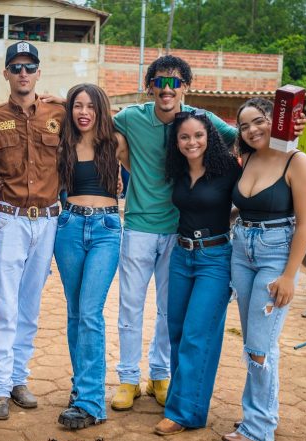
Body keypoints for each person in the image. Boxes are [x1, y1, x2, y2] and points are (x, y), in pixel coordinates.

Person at [110, 55, 238, 411]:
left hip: (180, 231)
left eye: (175, 82)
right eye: (160, 82)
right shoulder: (132, 117)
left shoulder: (200, 120)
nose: (168, 89)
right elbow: (96, 123)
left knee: (170, 310)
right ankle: (127, 379)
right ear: (150, 86)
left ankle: (160, 374)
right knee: (130, 306)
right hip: (138, 225)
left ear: (185, 87)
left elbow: (241, 138)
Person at [0, 41, 65, 420]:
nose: (23, 73)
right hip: (9, 219)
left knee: (29, 306)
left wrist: (71, 96)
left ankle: (17, 380)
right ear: (6, 73)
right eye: (16, 67)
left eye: (30, 67)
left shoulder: (59, 113)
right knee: (5, 307)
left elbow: (97, 114)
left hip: (49, 220)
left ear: (39, 72)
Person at [225, 97, 306, 441]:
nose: (252, 130)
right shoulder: (246, 158)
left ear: (275, 121)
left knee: (259, 346)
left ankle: (259, 427)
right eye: (245, 125)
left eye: (259, 121)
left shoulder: (297, 161)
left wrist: (291, 275)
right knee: (254, 343)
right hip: (241, 250)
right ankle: (261, 413)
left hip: (276, 254)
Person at [154, 109, 242, 436]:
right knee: (175, 330)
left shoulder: (228, 170)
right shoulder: (177, 171)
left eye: (198, 135)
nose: (192, 142)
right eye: (185, 137)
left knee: (196, 334)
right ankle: (186, 401)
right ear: (176, 142)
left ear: (210, 137)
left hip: (215, 259)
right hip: (181, 255)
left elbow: (248, 200)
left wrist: (226, 222)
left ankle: (183, 412)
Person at [54, 83, 129, 429]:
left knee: (89, 313)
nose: (83, 112)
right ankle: (80, 388)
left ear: (101, 109)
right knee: (75, 314)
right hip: (68, 226)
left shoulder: (116, 142)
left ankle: (91, 402)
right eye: (76, 106)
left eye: (90, 106)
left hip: (106, 231)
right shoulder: (62, 143)